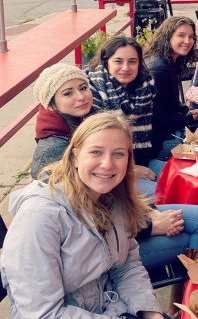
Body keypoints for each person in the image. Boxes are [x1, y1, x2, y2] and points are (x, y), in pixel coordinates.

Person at [1, 112, 165, 318]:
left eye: (118, 154)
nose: (107, 164)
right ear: (75, 157)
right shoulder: (38, 218)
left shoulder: (114, 199)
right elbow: (41, 313)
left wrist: (151, 312)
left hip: (111, 308)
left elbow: (126, 266)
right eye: (96, 152)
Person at [85, 37, 160, 197]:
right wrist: (131, 170)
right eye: (118, 61)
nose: (126, 68)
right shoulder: (93, 91)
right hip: (109, 174)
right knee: (167, 192)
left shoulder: (145, 85)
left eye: (132, 61)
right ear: (106, 62)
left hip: (142, 159)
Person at [144, 16, 198, 157]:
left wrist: (186, 111)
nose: (188, 41)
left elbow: (169, 103)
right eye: (181, 36)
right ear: (168, 37)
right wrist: (188, 118)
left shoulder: (170, 60)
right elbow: (156, 118)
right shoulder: (158, 69)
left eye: (191, 37)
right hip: (159, 143)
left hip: (169, 131)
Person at [31, 63, 95, 180]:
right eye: (68, 93)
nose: (81, 96)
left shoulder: (91, 120)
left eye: (83, 88)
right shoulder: (54, 148)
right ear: (51, 105)